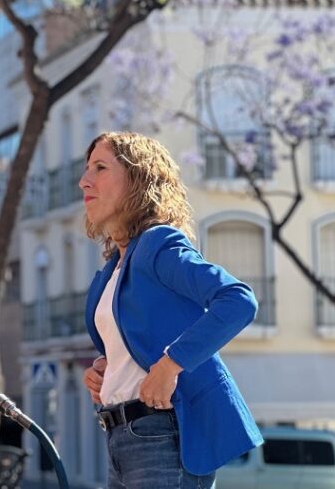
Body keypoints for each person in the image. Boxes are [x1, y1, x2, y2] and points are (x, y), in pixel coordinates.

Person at [78, 131, 262, 489]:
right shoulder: (115, 265)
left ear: (137, 180)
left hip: (162, 437)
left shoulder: (158, 244)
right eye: (87, 170)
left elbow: (238, 300)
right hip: (120, 437)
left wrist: (170, 365)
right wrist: (108, 371)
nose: (85, 180)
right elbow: (137, 338)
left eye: (100, 168)